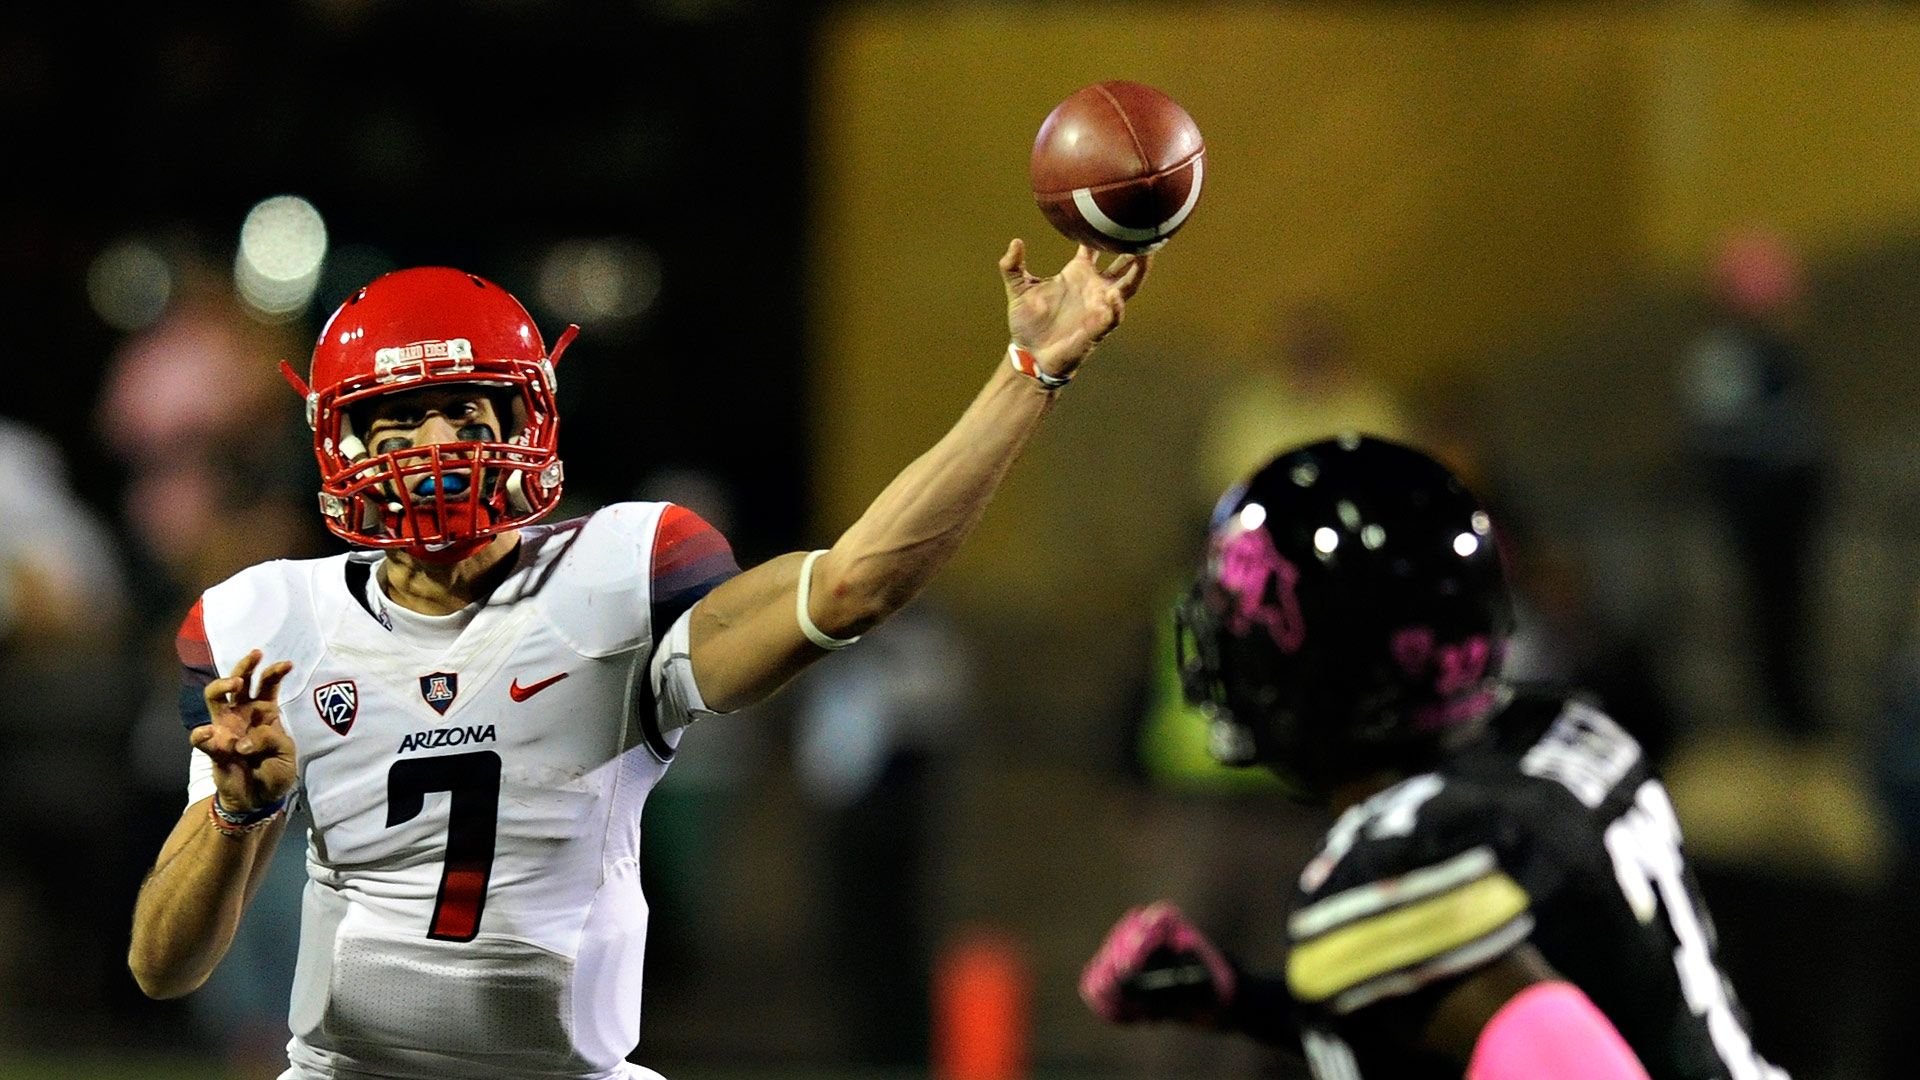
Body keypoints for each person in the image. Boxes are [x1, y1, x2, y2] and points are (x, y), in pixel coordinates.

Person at [128, 243, 1147, 1080]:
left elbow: (852, 586)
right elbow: (162, 965)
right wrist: (237, 813)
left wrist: (1030, 373)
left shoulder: (617, 576)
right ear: (335, 441)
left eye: (463, 409)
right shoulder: (270, 620)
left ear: (528, 420)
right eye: (398, 417)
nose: (434, 442)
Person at [1080, 436, 1785, 1080]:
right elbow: (1469, 1024)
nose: (1227, 654)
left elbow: (1556, 1055)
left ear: (1328, 663)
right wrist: (1244, 1002)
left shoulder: (1409, 853)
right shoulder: (1554, 729)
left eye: (1251, 625)